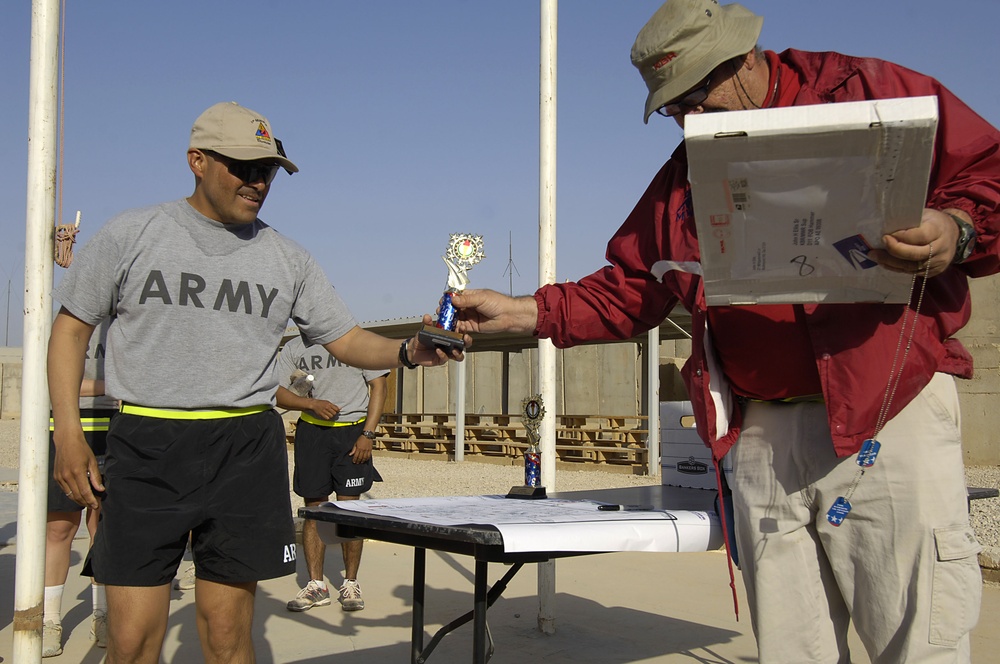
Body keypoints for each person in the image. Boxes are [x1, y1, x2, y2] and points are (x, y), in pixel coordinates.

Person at [450, 2, 1000, 662]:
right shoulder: (687, 176)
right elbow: (630, 288)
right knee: (793, 648)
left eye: (695, 98)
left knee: (917, 640)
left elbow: (988, 171)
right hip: (762, 435)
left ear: (744, 60)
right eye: (674, 109)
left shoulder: (869, 92)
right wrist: (519, 312)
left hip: (889, 415)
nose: (687, 121)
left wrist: (956, 228)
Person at [47, 101, 465, 664]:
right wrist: (68, 437)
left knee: (227, 636)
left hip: (246, 450)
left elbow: (345, 339)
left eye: (267, 170)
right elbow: (71, 331)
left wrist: (408, 350)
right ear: (196, 160)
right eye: (243, 167)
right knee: (132, 641)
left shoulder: (287, 257)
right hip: (148, 444)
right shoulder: (132, 234)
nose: (257, 182)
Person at [275, 336, 388, 612]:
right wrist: (310, 405)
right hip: (313, 434)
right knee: (314, 508)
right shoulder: (293, 347)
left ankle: (350, 583)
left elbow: (379, 386)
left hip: (353, 432)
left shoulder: (355, 338)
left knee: (349, 508)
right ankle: (317, 586)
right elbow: (276, 391)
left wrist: (368, 434)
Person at [42, 318, 115, 657]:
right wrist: (108, 384)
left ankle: (101, 614)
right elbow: (53, 379)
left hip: (114, 431)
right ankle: (50, 620)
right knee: (59, 529)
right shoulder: (64, 322)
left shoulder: (126, 320)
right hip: (66, 430)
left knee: (103, 527)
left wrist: (91, 384)